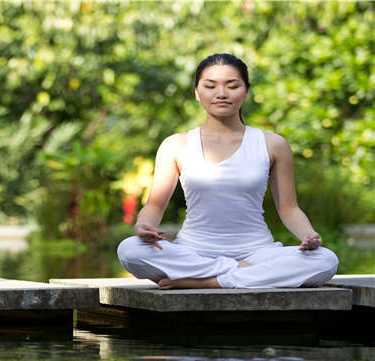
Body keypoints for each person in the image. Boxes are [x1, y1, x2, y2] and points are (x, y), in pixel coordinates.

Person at [116, 53, 338, 290]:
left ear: (246, 91)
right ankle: (241, 276)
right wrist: (143, 226)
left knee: (325, 260)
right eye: (210, 86)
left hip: (256, 254)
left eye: (232, 86)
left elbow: (289, 208)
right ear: (196, 92)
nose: (221, 94)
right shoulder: (176, 145)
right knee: (130, 250)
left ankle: (207, 281)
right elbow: (155, 206)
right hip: (193, 253)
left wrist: (308, 235)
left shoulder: (272, 144)